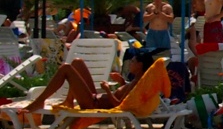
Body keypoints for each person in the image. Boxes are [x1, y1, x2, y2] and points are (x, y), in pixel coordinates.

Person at [24, 47, 156, 113]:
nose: (130, 64)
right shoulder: (137, 80)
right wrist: (121, 82)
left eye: (132, 61)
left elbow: (119, 105)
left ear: (140, 65)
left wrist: (107, 90)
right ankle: (68, 101)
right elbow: (126, 95)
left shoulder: (137, 83)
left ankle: (39, 101)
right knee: (77, 62)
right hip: (95, 97)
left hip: (94, 104)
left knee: (66, 68)